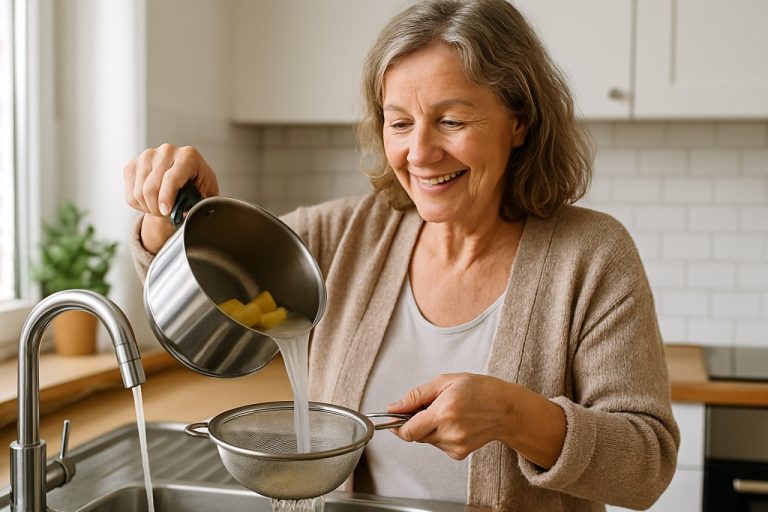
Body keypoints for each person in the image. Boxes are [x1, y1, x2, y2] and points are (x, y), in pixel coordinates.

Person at [124, 0, 679, 510]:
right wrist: (167, 212)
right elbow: (213, 278)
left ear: (520, 121)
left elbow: (646, 467)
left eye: (452, 121)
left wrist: (514, 416)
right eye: (400, 123)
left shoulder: (593, 256)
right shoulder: (344, 235)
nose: (419, 153)